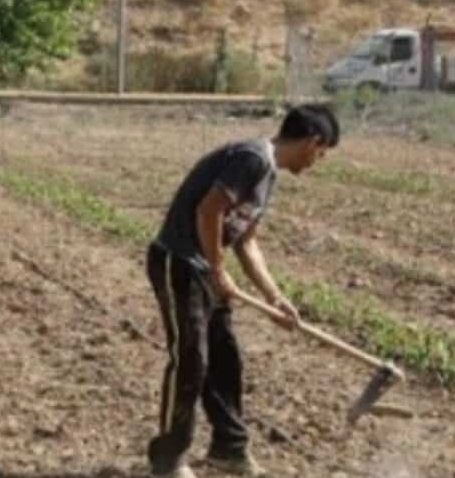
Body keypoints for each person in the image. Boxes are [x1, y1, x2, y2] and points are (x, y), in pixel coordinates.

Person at [145, 104, 340, 478]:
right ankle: (167, 460)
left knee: (224, 359)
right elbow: (209, 211)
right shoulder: (252, 158)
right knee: (190, 358)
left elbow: (246, 241)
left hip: (204, 269)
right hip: (179, 262)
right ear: (312, 142)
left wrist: (274, 298)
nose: (319, 161)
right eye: (322, 153)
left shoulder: (267, 175)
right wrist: (217, 270)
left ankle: (229, 449)